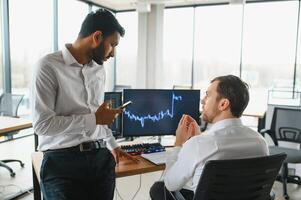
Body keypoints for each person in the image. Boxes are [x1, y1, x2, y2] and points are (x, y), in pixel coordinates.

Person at [32, 9, 133, 200]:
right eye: (112, 45)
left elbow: (98, 115)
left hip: (101, 158)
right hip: (61, 164)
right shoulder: (47, 67)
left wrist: (112, 144)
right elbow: (42, 125)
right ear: (96, 37)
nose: (113, 54)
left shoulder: (99, 70)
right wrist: (93, 119)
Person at [150, 75, 269, 200]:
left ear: (223, 104)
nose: (202, 101)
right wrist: (199, 139)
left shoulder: (199, 145)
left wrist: (179, 143)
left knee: (159, 188)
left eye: (207, 95)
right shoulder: (260, 142)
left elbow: (170, 184)